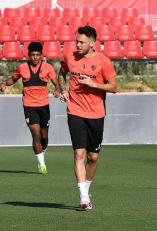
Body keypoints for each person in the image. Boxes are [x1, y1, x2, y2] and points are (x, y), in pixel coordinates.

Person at [56, 26, 117, 210]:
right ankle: (83, 196)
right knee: (79, 154)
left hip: (96, 113)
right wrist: (63, 89)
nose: (78, 45)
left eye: (81, 42)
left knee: (93, 157)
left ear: (92, 43)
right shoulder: (70, 57)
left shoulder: (103, 62)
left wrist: (94, 84)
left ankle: (86, 192)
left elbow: (113, 87)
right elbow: (61, 74)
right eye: (77, 41)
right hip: (75, 111)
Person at [0, 42, 58, 174]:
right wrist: (4, 83)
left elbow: (56, 83)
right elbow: (13, 79)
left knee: (44, 136)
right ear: (28, 55)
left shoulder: (48, 67)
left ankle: (42, 154)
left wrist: (58, 91)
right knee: (36, 134)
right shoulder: (22, 68)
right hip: (29, 106)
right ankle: (42, 165)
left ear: (41, 55)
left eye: (37, 55)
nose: (35, 57)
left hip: (44, 106)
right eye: (32, 55)